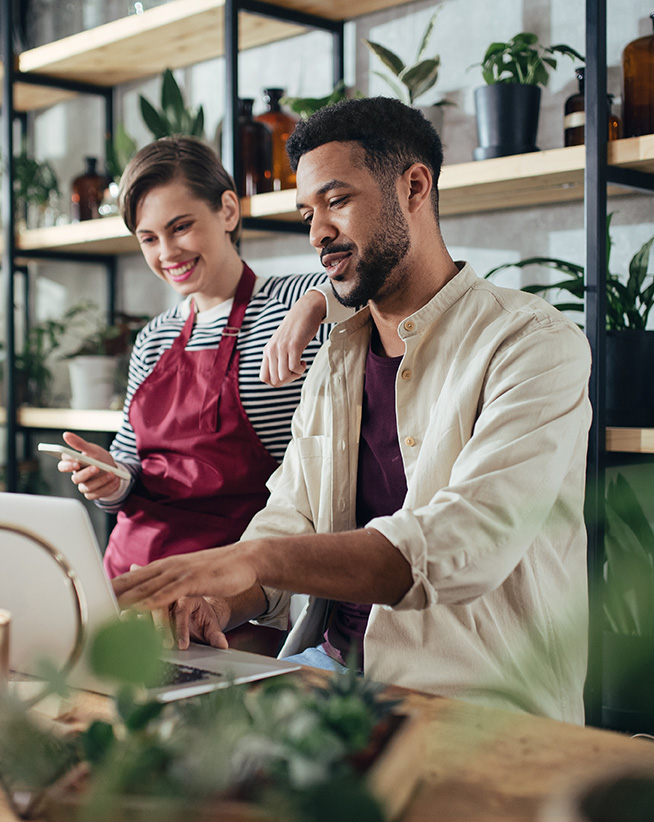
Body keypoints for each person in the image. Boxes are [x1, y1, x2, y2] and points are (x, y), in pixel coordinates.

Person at [112, 97, 593, 724]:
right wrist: (223, 602)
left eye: (337, 202)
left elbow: (467, 542)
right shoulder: (338, 355)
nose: (317, 234)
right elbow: (291, 515)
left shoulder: (532, 343)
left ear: (414, 186)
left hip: (475, 708)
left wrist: (248, 559)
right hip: (329, 676)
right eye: (308, 213)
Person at [57, 136, 331, 590]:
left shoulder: (291, 303)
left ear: (227, 210)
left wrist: (317, 301)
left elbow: (372, 286)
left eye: (180, 227)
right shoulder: (153, 337)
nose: (166, 253)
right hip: (132, 575)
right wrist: (111, 478)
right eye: (149, 238)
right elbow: (132, 467)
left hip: (236, 584)